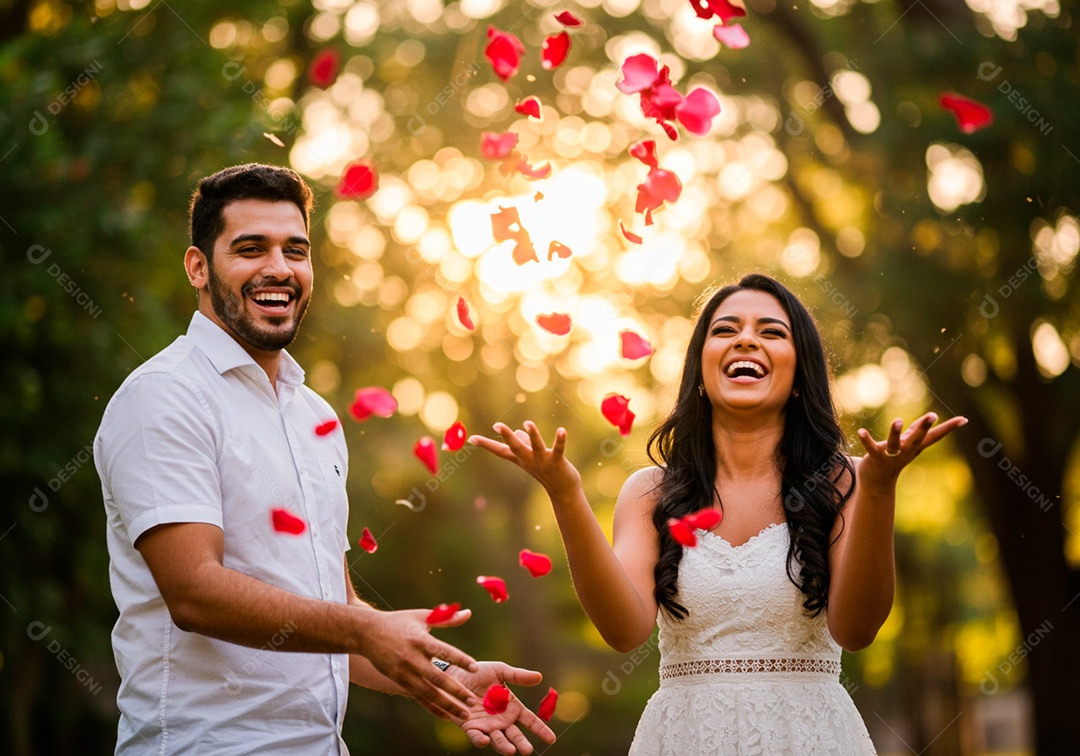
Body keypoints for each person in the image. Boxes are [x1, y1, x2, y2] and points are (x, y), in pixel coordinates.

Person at [94, 163, 555, 755]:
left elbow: (337, 613)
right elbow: (193, 591)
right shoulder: (163, 395)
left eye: (296, 250)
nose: (279, 269)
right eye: (250, 249)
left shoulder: (315, 416)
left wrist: (447, 681)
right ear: (198, 268)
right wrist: (365, 629)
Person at [470, 273, 967, 754]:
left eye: (771, 332)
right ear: (701, 370)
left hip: (810, 738)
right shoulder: (649, 494)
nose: (746, 341)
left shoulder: (844, 483)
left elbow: (856, 631)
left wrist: (880, 489)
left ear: (799, 374)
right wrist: (565, 493)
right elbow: (624, 631)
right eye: (725, 330)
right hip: (685, 738)